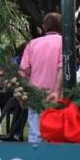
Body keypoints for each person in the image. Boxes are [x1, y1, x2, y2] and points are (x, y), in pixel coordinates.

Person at [20, 12, 63, 143]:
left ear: (44, 27)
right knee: (56, 134)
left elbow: (23, 71)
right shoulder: (64, 42)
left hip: (35, 93)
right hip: (57, 95)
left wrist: (25, 91)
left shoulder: (32, 44)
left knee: (35, 133)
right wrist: (56, 90)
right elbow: (61, 67)